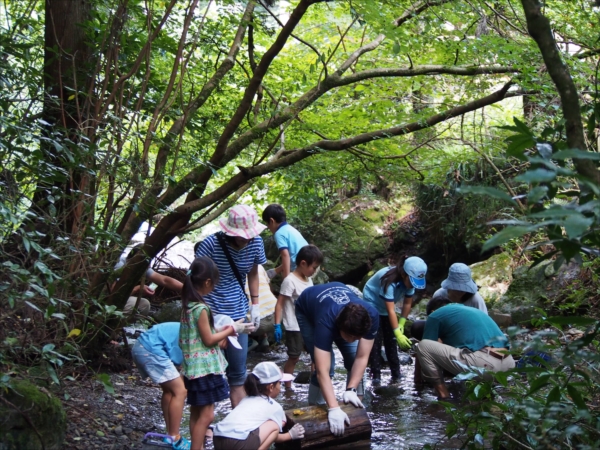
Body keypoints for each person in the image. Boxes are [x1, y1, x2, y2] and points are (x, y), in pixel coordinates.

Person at [194, 204, 267, 407]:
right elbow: (195, 282)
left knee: (238, 374)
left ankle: (239, 427)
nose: (246, 239)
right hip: (210, 314)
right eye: (242, 236)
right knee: (207, 373)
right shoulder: (209, 246)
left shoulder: (256, 242)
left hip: (239, 315)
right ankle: (206, 427)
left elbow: (253, 273)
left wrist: (255, 304)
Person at [179, 257, 255, 450]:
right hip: (205, 370)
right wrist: (233, 329)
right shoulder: (202, 308)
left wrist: (220, 333)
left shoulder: (188, 305)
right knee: (208, 415)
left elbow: (200, 336)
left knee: (197, 413)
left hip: (192, 369)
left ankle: (198, 447)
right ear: (207, 282)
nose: (213, 288)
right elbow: (208, 340)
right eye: (214, 284)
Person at [295, 282, 380, 437]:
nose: (354, 340)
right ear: (339, 328)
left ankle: (356, 407)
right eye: (351, 336)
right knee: (329, 366)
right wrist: (334, 408)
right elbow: (322, 371)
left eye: (357, 337)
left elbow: (362, 356)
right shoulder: (325, 322)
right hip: (308, 308)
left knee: (353, 357)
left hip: (339, 307)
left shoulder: (371, 316)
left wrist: (351, 389)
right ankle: (316, 408)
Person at [414, 303, 515, 399]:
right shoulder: (471, 311)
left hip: (485, 365)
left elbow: (424, 349)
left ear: (432, 311)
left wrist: (417, 382)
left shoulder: (435, 315)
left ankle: (444, 396)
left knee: (423, 346)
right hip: (509, 365)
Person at [362, 256, 427, 384]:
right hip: (372, 302)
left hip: (386, 307)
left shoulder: (410, 281)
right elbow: (391, 310)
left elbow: (407, 304)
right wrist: (398, 332)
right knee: (376, 340)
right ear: (404, 274)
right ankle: (376, 375)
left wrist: (402, 323)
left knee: (391, 340)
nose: (412, 284)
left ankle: (396, 374)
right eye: (411, 281)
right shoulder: (389, 280)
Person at [213, 362, 305, 450]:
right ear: (271, 387)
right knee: (274, 425)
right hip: (237, 443)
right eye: (280, 383)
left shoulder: (246, 399)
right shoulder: (274, 406)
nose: (280, 387)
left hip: (218, 438)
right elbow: (274, 435)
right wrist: (290, 435)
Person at [131, 322, 189, 449]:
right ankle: (174, 437)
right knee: (180, 391)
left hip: (141, 347)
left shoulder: (193, 327)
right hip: (151, 350)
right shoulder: (201, 335)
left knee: (170, 391)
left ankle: (169, 434)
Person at [274, 245, 323, 388]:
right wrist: (277, 325)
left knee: (316, 355)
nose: (314, 271)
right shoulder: (290, 281)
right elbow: (280, 304)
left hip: (310, 324)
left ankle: (317, 383)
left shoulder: (308, 280)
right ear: (303, 263)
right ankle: (287, 386)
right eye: (313, 268)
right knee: (294, 357)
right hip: (294, 326)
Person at [114, 245, 184, 315]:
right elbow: (114, 295)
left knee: (144, 304)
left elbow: (164, 280)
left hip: (120, 299)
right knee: (143, 304)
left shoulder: (140, 266)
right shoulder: (120, 266)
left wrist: (187, 288)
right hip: (109, 302)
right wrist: (138, 288)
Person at [262, 204, 308, 280]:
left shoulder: (279, 233)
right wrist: (275, 271)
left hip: (301, 268)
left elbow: (285, 256)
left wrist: (286, 279)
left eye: (267, 224)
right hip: (310, 263)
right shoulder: (289, 228)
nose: (268, 227)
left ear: (271, 221)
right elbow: (293, 255)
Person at [245, 265, 278, 352]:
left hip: (257, 325)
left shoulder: (229, 271)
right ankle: (264, 339)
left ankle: (248, 341)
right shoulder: (258, 266)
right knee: (262, 303)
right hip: (276, 315)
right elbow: (269, 288)